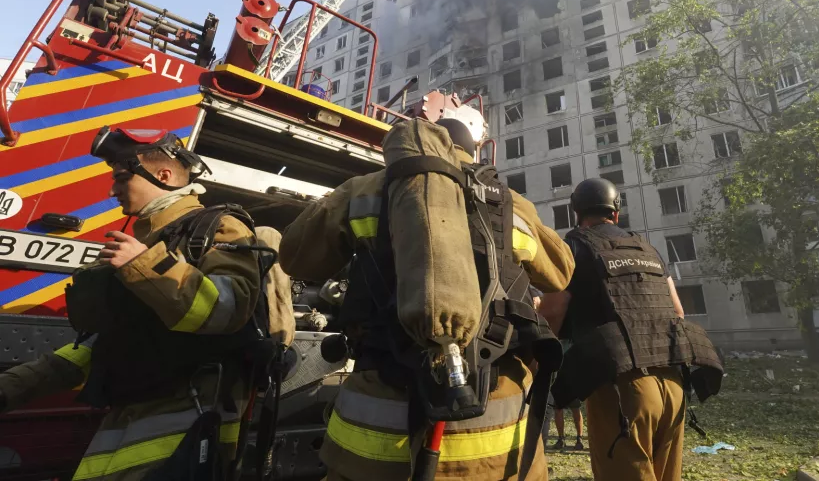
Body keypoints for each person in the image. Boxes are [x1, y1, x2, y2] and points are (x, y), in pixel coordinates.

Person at [279, 116, 575, 481]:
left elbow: (295, 257)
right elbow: (561, 272)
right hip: (494, 433)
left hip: (375, 435)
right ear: (473, 150)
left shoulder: (363, 190)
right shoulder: (509, 203)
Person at [0, 126, 265, 480]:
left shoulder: (220, 228)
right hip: (128, 412)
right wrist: (11, 389)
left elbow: (227, 310)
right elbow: (101, 345)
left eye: (122, 178)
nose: (113, 190)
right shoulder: (143, 241)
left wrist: (144, 265)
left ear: (164, 175)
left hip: (188, 418)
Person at [538, 178, 723, 481]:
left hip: (623, 390)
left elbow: (552, 312)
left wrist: (534, 368)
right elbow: (678, 311)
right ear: (616, 212)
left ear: (576, 212)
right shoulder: (646, 248)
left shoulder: (574, 246)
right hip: (674, 387)